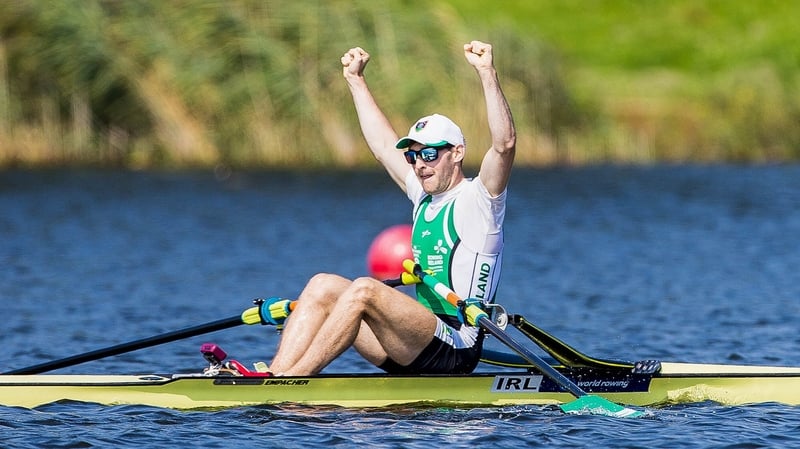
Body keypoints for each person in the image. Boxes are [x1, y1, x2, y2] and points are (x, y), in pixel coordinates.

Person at [266, 40, 516, 376]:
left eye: (429, 154)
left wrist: (487, 72)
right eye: (413, 156)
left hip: (457, 343)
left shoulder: (480, 200)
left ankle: (294, 381)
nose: (419, 165)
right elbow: (384, 146)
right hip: (413, 340)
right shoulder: (423, 196)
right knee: (322, 284)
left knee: (366, 289)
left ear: (456, 153)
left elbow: (504, 145)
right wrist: (355, 81)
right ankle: (273, 377)